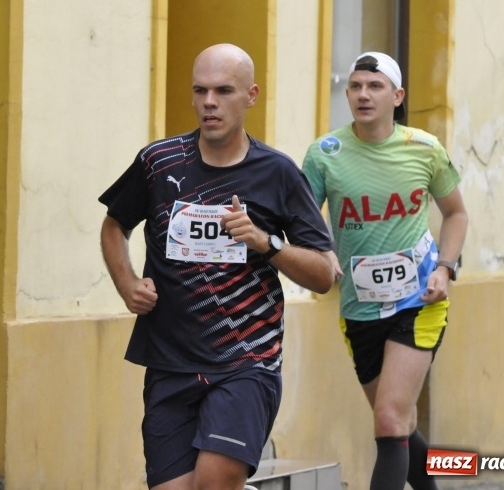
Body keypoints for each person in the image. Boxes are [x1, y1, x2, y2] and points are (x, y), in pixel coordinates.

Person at [99, 43, 336, 490]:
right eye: (201, 90)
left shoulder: (278, 173)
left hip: (246, 361)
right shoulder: (159, 162)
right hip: (170, 360)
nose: (210, 102)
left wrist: (266, 243)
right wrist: (127, 283)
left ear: (251, 95)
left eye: (224, 90)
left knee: (214, 481)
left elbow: (324, 273)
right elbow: (114, 226)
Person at [302, 52, 469, 490]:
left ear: (397, 96)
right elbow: (301, 217)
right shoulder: (324, 154)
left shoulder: (424, 148)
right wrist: (323, 249)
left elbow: (456, 215)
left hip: (420, 301)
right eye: (355, 86)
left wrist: (445, 269)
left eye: (374, 87)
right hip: (358, 306)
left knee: (389, 418)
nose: (362, 94)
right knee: (398, 423)